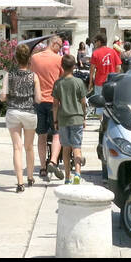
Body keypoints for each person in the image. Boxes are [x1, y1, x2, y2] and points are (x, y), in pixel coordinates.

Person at [0, 43, 37, 191]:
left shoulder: (9, 75)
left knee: (17, 148)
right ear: (29, 59)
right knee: (29, 147)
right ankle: (30, 177)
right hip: (29, 113)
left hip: (13, 112)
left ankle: (20, 183)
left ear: (15, 58)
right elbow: (38, 98)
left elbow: (2, 97)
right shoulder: (34, 76)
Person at [31, 36, 65, 179]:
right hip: (54, 102)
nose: (61, 49)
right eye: (60, 46)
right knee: (57, 133)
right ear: (55, 44)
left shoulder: (34, 58)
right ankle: (53, 161)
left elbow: (32, 77)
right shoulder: (59, 60)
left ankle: (43, 168)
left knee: (41, 135)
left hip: (38, 101)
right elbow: (63, 79)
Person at [52, 55, 88, 184]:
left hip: (63, 120)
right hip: (77, 118)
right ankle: (77, 173)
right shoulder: (78, 82)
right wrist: (83, 116)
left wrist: (55, 121)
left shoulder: (58, 83)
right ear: (74, 66)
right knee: (77, 147)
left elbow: (55, 105)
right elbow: (83, 102)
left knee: (66, 149)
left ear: (62, 66)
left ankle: (67, 178)